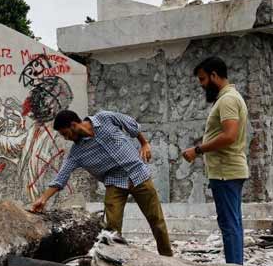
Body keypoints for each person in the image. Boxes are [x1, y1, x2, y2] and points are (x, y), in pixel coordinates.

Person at [30, 109, 173, 257]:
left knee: (156, 220)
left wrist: (144, 143)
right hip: (115, 183)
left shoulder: (105, 118)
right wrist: (43, 199)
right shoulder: (76, 153)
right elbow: (61, 178)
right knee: (111, 230)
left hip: (139, 174)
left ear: (73, 125)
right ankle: (115, 261)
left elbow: (131, 125)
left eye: (65, 133)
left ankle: (168, 258)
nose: (66, 138)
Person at [182, 56, 249, 265]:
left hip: (226, 171)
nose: (202, 85)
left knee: (229, 225)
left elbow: (229, 135)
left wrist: (198, 149)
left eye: (203, 79)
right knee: (232, 223)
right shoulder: (229, 97)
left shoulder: (228, 100)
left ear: (214, 75)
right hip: (228, 170)